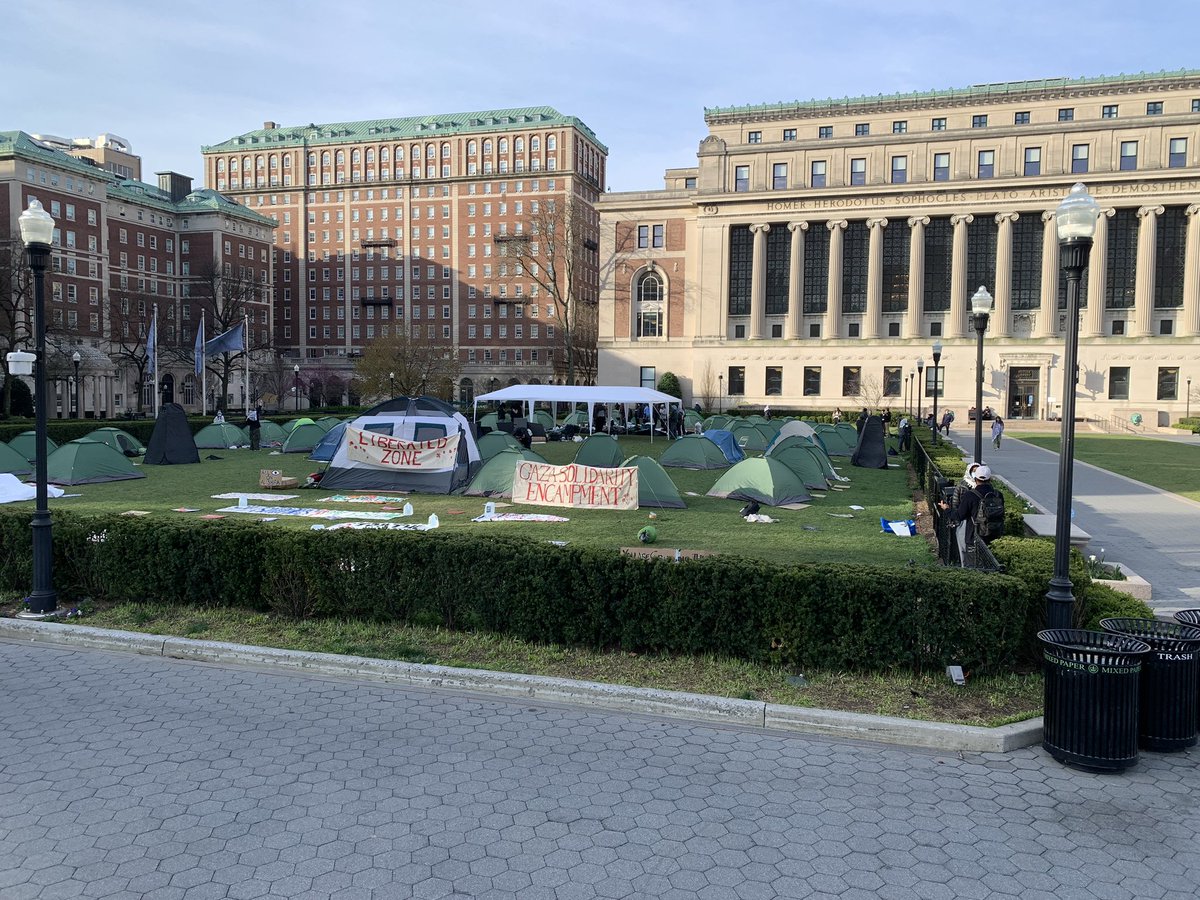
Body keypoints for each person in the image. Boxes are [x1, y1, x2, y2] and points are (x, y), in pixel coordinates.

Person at [938, 464, 997, 566]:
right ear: (990, 478)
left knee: (973, 565)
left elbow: (958, 516)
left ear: (975, 478)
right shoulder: (997, 494)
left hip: (974, 536)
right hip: (993, 535)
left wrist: (946, 509)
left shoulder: (970, 495)